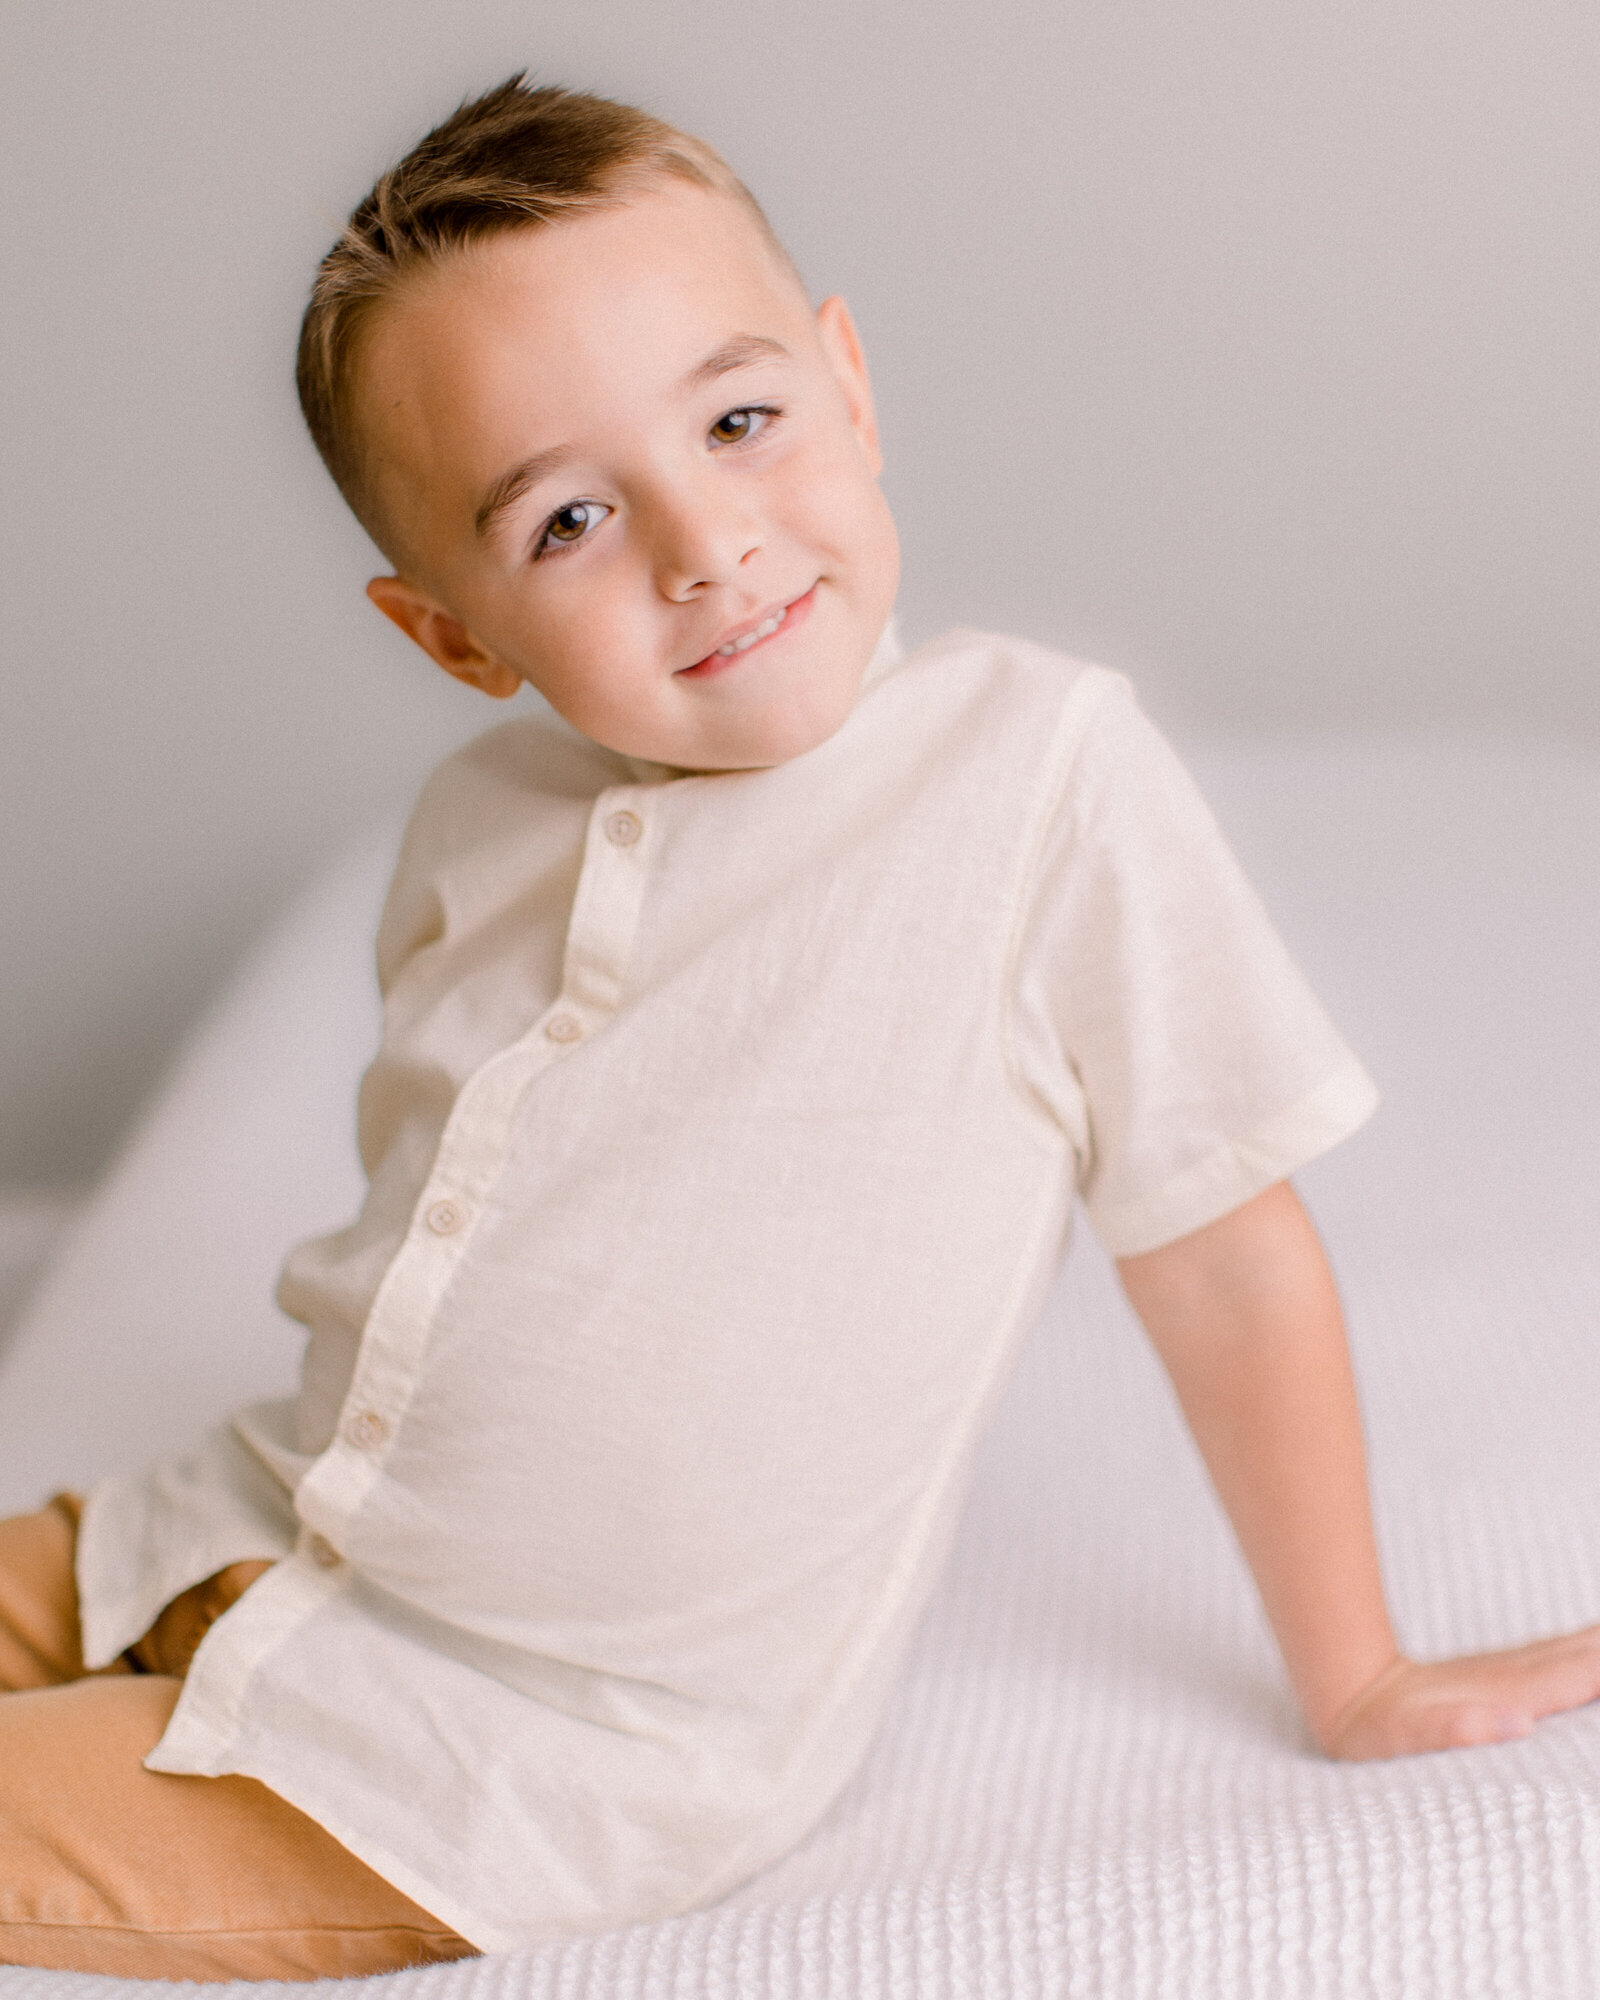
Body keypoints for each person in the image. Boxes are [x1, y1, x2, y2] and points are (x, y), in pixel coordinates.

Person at [3, 73, 1598, 1983]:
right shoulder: (469, 829)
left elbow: (1226, 1251)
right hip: (240, 1514)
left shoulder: (1032, 779)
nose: (706, 544)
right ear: (450, 633)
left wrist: (1361, 1673)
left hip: (508, 1751)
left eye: (742, 421)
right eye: (573, 518)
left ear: (849, 384)